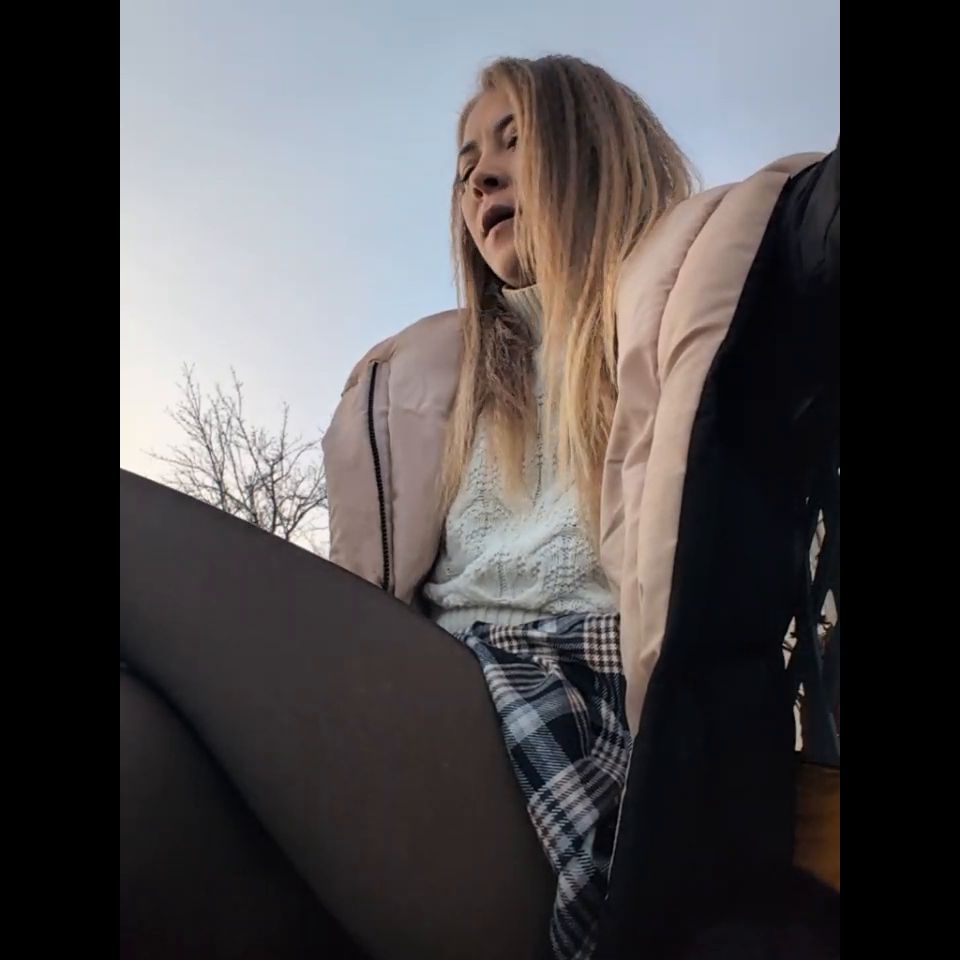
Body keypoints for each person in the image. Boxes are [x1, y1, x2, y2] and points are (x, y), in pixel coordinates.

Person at [120, 54, 840, 960]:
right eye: (466, 167)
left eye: (512, 142)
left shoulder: (699, 291)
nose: (479, 179)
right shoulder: (431, 383)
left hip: (592, 750)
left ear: (596, 150)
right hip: (428, 718)